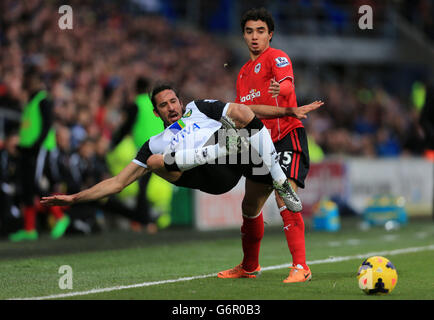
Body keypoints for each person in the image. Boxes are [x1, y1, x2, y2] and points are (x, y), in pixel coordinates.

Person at [41, 85, 322, 273]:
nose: (171, 107)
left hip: (231, 160)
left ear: (180, 101)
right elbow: (117, 183)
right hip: (208, 176)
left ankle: (279, 182)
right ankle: (222, 146)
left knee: (241, 111)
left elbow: (248, 113)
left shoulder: (198, 108)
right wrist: (74, 198)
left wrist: (287, 111)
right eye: (163, 105)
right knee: (153, 161)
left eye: (173, 101)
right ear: (156, 112)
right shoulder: (155, 142)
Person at [220, 7, 313, 283]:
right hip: (259, 145)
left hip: (286, 136)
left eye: (260, 31)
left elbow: (286, 84)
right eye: (249, 31)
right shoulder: (243, 73)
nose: (254, 37)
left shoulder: (277, 57)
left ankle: (301, 266)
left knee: (284, 194)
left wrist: (281, 90)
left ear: (270, 34)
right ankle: (249, 266)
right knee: (250, 206)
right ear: (243, 36)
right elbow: (243, 113)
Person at [9, 67, 69, 241]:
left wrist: (35, 145)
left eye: (28, 79)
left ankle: (59, 216)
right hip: (28, 150)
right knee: (27, 186)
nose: (25, 83)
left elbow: (47, 125)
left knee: (36, 184)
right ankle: (29, 229)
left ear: (35, 80)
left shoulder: (43, 100)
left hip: (39, 149)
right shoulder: (31, 101)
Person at [110, 77, 173, 233]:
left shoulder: (136, 105)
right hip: (165, 145)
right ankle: (152, 219)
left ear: (135, 89)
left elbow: (126, 127)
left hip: (148, 150)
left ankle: (142, 221)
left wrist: (113, 144)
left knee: (142, 186)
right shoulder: (155, 105)